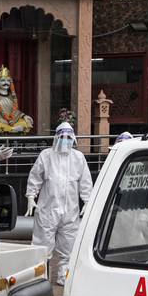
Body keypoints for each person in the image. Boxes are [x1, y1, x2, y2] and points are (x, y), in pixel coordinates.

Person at [25, 122, 93, 285]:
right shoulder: (46, 155)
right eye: (62, 137)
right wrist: (30, 197)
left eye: (69, 138)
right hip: (48, 209)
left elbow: (85, 182)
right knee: (41, 246)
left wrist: (87, 200)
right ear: (56, 138)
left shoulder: (78, 158)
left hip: (70, 211)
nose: (65, 140)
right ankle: (39, 277)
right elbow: (35, 177)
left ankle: (64, 277)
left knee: (69, 246)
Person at [0, 65, 33, 133]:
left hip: (13, 122)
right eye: (3, 80)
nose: (6, 83)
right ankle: (13, 129)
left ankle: (11, 129)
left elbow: (16, 112)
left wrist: (24, 116)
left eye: (8, 80)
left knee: (26, 123)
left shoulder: (12, 96)